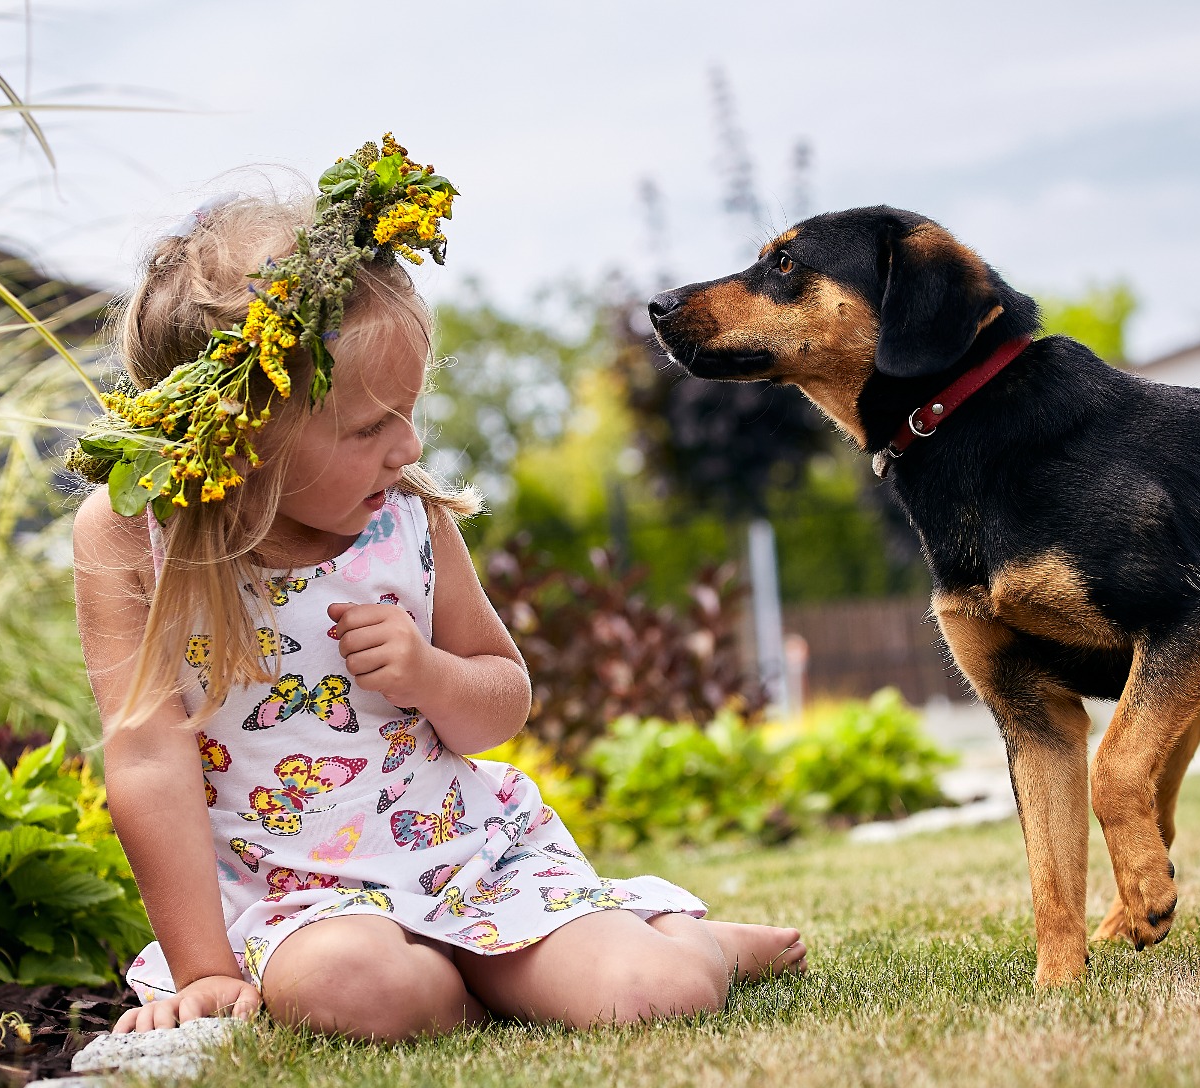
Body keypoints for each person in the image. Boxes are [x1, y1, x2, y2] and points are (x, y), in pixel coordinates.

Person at [70, 137, 804, 1041]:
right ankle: (488, 984)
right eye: (372, 424)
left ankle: (692, 945)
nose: (409, 448)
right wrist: (206, 972)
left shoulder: (406, 521)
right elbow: (146, 759)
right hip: (298, 903)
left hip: (464, 859)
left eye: (410, 413)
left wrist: (428, 677)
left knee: (652, 991)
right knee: (353, 988)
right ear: (246, 434)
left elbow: (503, 700)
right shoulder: (135, 539)